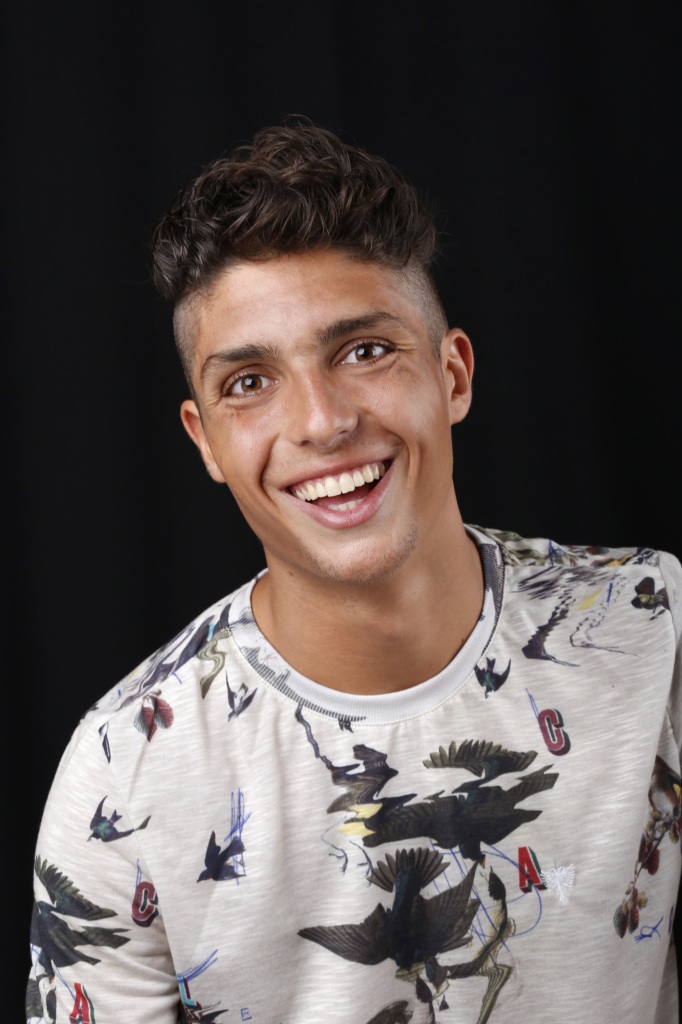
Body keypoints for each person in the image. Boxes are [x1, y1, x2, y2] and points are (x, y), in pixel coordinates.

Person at [26, 120, 681, 1024]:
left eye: (364, 351)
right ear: (205, 441)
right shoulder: (123, 771)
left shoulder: (653, 630)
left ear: (453, 374)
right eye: (249, 382)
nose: (322, 422)